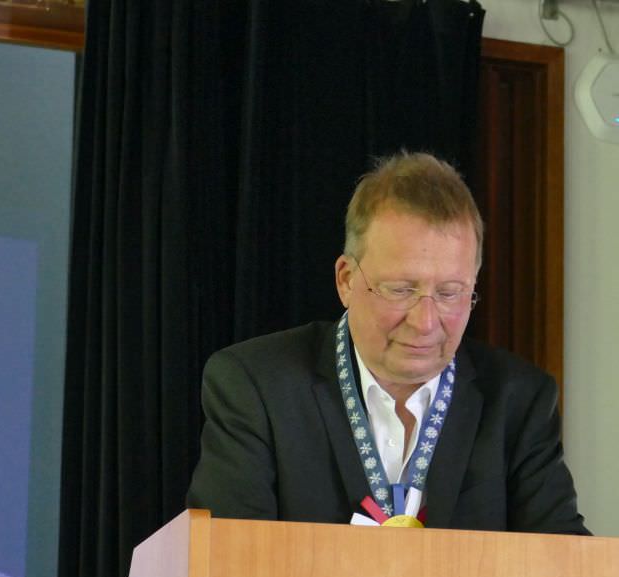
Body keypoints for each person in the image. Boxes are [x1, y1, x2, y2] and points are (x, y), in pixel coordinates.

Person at [186, 152, 589, 535]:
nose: (425, 322)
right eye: (400, 289)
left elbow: (566, 563)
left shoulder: (519, 401)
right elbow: (225, 560)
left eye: (449, 293)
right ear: (346, 280)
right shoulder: (258, 387)